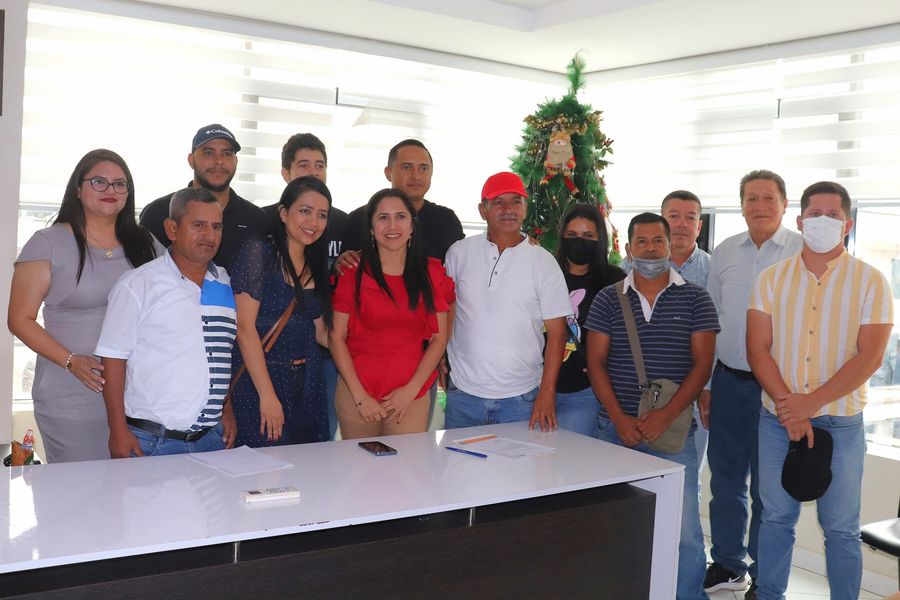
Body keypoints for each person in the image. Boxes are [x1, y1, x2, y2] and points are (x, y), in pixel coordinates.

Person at [747, 181, 893, 599]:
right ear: (799, 221)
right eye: (815, 214)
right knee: (775, 519)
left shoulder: (871, 281)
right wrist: (789, 408)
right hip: (777, 421)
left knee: (841, 529)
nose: (823, 221)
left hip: (841, 423)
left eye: (833, 215)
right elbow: (757, 349)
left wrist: (808, 405)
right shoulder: (771, 279)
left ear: (847, 224)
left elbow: (870, 357)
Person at [584, 212, 719, 600]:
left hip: (673, 434)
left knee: (684, 532)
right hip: (616, 432)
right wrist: (619, 419)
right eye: (641, 242)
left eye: (658, 241)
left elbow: (702, 365)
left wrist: (665, 415)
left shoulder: (696, 297)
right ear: (628, 249)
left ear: (670, 247)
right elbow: (595, 363)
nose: (650, 249)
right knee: (616, 525)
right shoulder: (609, 298)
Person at [8, 149, 161, 463]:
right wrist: (71, 361)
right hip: (72, 395)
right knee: (79, 488)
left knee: (129, 488)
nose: (110, 189)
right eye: (99, 181)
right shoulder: (48, 242)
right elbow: (19, 319)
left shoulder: (146, 243)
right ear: (78, 189)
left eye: (120, 184)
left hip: (136, 397)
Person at [704, 170, 803, 597]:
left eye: (768, 198)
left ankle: (766, 578)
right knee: (725, 482)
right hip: (728, 382)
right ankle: (728, 564)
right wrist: (707, 386)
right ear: (741, 205)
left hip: (777, 390)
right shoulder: (725, 251)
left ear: (785, 204)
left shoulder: (803, 251)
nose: (760, 206)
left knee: (770, 490)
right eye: (751, 199)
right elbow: (711, 321)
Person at [96, 188, 237, 457]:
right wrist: (117, 430)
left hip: (211, 439)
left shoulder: (225, 282)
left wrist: (226, 408)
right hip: (151, 442)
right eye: (198, 225)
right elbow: (112, 360)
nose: (209, 236)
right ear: (172, 229)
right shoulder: (138, 284)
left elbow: (218, 354)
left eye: (216, 227)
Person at [442, 172, 570, 432]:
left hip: (522, 399)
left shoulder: (543, 262)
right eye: (498, 202)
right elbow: (446, 312)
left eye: (516, 201)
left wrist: (547, 392)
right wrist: (439, 358)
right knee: (456, 461)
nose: (508, 209)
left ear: (525, 208)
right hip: (463, 396)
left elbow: (558, 333)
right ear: (483, 210)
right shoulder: (459, 253)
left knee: (524, 462)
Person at [330, 188, 454, 438]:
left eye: (400, 216)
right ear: (371, 227)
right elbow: (336, 337)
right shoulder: (351, 273)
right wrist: (361, 397)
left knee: (406, 463)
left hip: (410, 397)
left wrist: (410, 391)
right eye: (383, 217)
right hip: (357, 396)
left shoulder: (431, 273)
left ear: (412, 225)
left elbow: (438, 338)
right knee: (359, 462)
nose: (392, 226)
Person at [230, 176, 333, 447]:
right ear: (284, 213)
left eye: (322, 215)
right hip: (261, 383)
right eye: (305, 211)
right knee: (264, 466)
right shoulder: (259, 252)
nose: (313, 222)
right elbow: (244, 327)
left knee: (308, 466)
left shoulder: (315, 264)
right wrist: (267, 395)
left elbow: (321, 332)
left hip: (308, 383)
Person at [262, 132, 347, 440]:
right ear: (286, 173)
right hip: (269, 361)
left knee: (316, 447)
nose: (313, 172)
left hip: (321, 359)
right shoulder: (262, 228)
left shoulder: (341, 224)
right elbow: (245, 323)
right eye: (304, 165)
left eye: (320, 165)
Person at [620, 190, 712, 474]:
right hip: (634, 399)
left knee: (686, 474)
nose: (682, 224)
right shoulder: (627, 268)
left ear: (699, 226)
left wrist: (707, 388)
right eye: (674, 216)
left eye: (690, 218)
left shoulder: (714, 269)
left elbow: (720, 333)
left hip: (695, 394)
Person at [139, 123, 268, 271]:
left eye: (227, 154)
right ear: (191, 160)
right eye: (208, 153)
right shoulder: (158, 212)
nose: (219, 161)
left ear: (236, 161)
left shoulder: (257, 220)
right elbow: (143, 274)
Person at [554, 203, 625, 437]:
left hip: (584, 392)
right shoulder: (547, 273)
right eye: (572, 234)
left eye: (588, 236)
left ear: (600, 239)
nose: (579, 241)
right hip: (535, 386)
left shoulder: (615, 280)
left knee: (573, 458)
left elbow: (627, 333)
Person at [340, 139, 463, 262]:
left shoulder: (447, 220)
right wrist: (340, 262)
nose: (416, 176)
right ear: (388, 173)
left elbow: (462, 266)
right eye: (407, 167)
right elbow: (345, 265)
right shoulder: (361, 218)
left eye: (424, 168)